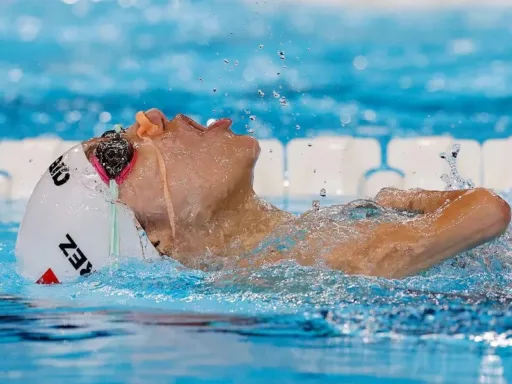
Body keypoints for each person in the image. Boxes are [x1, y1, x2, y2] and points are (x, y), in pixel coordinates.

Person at [16, 108, 511, 283]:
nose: (149, 119)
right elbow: (488, 213)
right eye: (120, 153)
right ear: (154, 238)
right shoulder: (306, 263)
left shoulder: (294, 243)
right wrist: (416, 202)